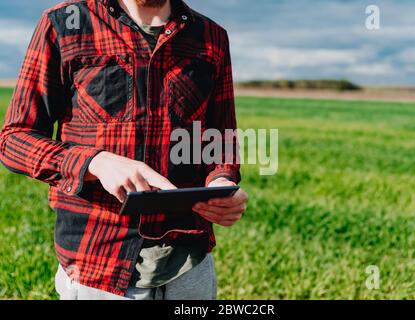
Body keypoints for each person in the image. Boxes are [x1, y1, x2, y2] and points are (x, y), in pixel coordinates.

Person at [0, 0, 248, 300]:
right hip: (100, 263)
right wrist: (96, 162)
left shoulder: (211, 36)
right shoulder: (63, 23)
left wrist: (222, 182)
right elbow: (14, 139)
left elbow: (220, 141)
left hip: (189, 262)